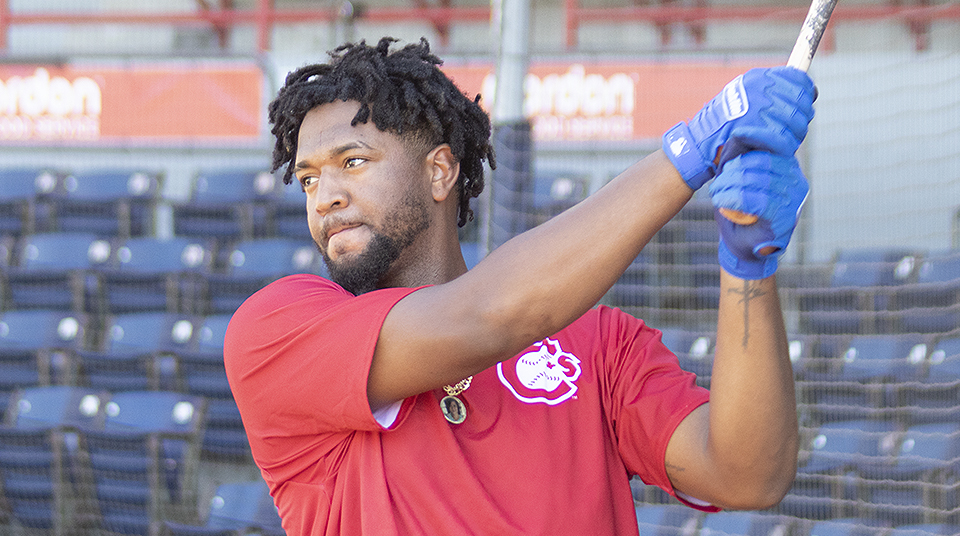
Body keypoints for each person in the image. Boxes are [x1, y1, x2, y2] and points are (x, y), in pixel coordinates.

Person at [224, 37, 816, 536]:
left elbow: (748, 476)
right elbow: (486, 318)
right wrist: (692, 150)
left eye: (352, 162)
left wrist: (748, 266)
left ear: (439, 171)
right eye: (308, 179)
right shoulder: (276, 329)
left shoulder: (599, 343)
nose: (325, 197)